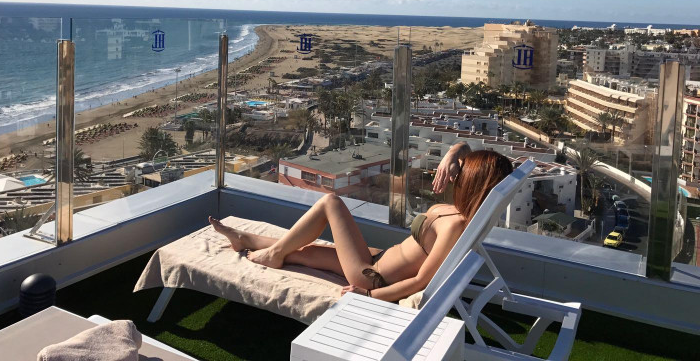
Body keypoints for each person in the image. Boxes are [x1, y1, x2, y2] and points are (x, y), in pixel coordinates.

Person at [210, 146, 513, 302]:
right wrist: (453, 154)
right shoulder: (461, 214)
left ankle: (272, 253)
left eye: (463, 170)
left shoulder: (454, 227)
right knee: (305, 252)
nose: (457, 173)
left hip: (373, 277)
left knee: (331, 202)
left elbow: (421, 281)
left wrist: (368, 296)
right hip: (377, 259)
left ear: (473, 181)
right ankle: (245, 239)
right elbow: (463, 147)